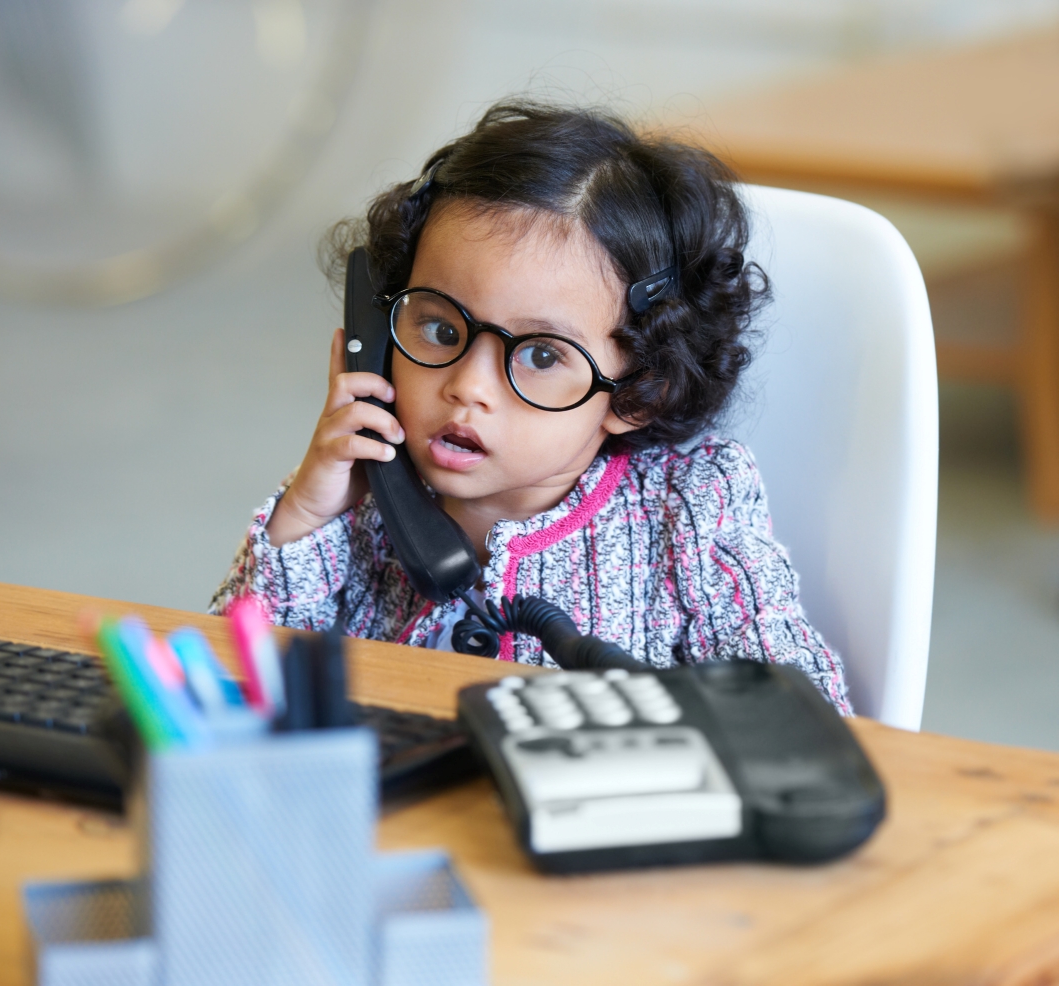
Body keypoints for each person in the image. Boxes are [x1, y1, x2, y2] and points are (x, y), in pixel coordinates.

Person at [210, 101, 851, 713]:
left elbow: (798, 715)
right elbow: (225, 696)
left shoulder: (690, 512)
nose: (470, 388)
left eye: (542, 356)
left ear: (640, 391)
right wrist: (303, 518)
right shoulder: (353, 505)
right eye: (439, 329)